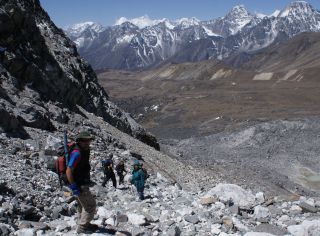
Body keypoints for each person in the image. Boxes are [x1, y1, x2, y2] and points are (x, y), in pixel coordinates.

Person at [66, 131, 98, 234]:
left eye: (88, 140)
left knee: (82, 205)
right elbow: (69, 170)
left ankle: (84, 223)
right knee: (90, 205)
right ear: (79, 141)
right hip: (78, 184)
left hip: (80, 181)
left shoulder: (84, 150)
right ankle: (83, 227)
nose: (87, 142)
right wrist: (74, 186)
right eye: (85, 140)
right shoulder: (77, 153)